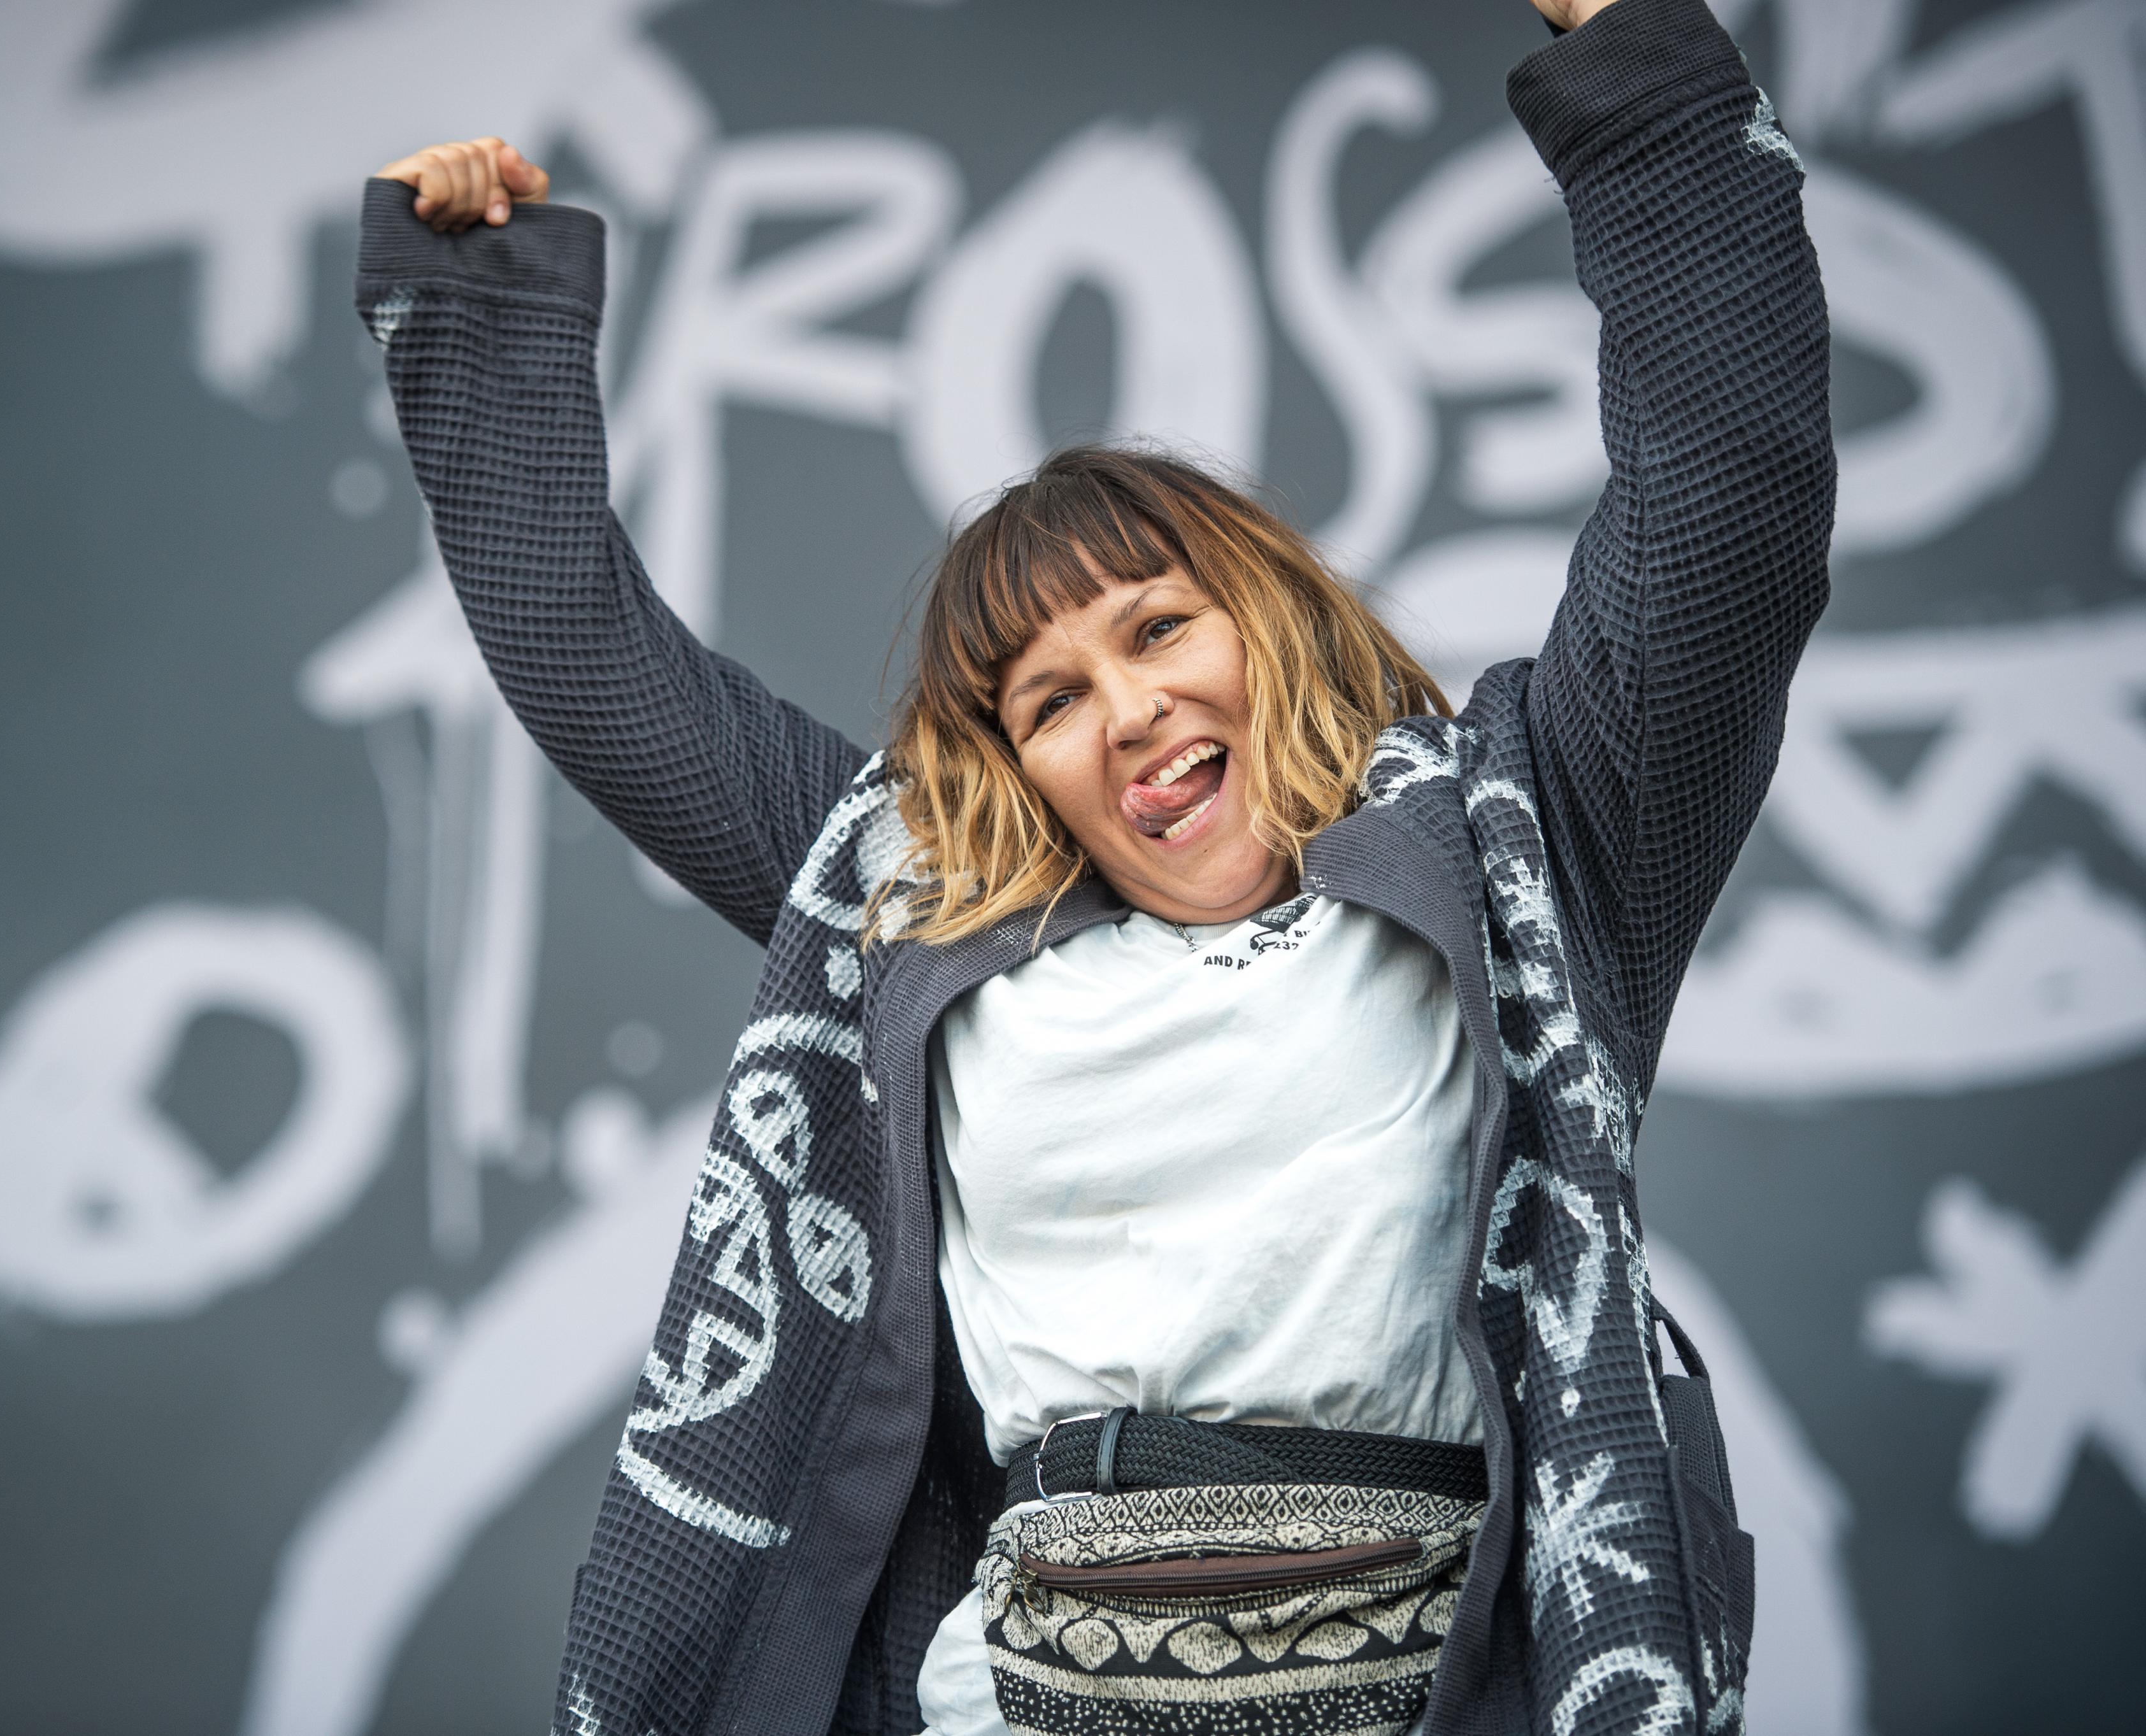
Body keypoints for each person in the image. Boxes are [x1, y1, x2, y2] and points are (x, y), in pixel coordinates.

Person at [357, 0, 1831, 1729]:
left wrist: (1638, 72)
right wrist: (475, 309)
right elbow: (601, 677)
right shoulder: (924, 919)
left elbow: (1728, 505)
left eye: (1159, 629)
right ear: (1015, 765)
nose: (1128, 712)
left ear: (1271, 621)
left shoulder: (1521, 859)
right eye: (1050, 699)